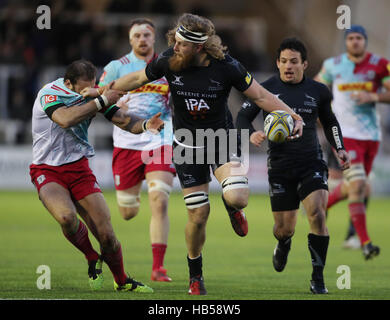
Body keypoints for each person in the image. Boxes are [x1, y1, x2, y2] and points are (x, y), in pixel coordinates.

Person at [82, 13, 304, 295]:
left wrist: (293, 115)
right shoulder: (168, 60)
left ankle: (232, 206)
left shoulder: (227, 66)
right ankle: (195, 275)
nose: (175, 46)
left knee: (237, 195)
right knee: (198, 216)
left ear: (199, 47)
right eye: (175, 40)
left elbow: (260, 96)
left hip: (219, 139)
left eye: (182, 43)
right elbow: (137, 78)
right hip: (186, 144)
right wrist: (104, 90)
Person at [29, 60, 164, 293]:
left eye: (91, 87)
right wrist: (101, 99)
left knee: (107, 235)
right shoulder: (49, 93)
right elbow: (65, 119)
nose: (88, 92)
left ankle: (122, 282)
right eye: (83, 88)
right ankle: (92, 257)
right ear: (68, 83)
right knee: (66, 218)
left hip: (79, 169)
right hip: (47, 169)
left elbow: (122, 119)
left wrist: (145, 125)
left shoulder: (92, 95)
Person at [236, 38, 350, 294]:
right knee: (283, 228)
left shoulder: (318, 91)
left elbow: (330, 121)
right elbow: (242, 116)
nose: (288, 66)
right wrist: (251, 133)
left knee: (318, 215)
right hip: (280, 167)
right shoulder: (264, 89)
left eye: (294, 62)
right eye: (284, 61)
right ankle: (283, 242)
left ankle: (317, 278)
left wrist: (339, 148)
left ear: (305, 64)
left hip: (312, 162)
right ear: (277, 63)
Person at [98, 18, 175, 282]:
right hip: (126, 143)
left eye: (146, 35)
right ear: (130, 40)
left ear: (154, 39)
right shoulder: (115, 68)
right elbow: (99, 100)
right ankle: (136, 191)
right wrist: (116, 107)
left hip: (160, 138)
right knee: (128, 212)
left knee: (160, 199)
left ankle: (158, 267)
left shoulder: (168, 66)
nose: (142, 39)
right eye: (137, 36)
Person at [315, 25, 390, 259]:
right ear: (346, 42)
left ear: (365, 41)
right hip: (344, 134)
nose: (355, 42)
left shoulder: (380, 64)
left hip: (371, 136)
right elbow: (315, 88)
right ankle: (363, 242)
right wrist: (319, 116)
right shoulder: (333, 65)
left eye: (359, 38)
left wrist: (374, 96)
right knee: (358, 186)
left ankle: (320, 206)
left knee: (354, 186)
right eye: (351, 38)